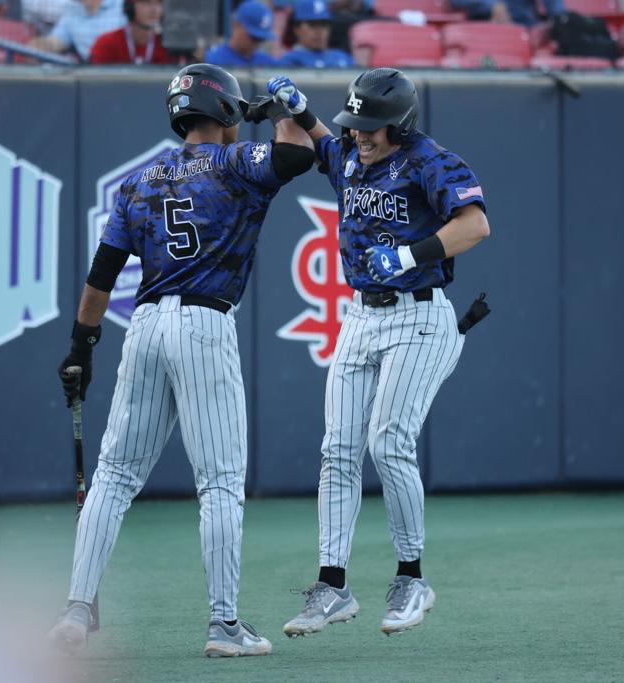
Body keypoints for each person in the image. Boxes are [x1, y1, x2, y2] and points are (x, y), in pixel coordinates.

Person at [46, 63, 316, 658]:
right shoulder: (234, 161)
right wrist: (274, 111)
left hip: (142, 324)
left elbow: (101, 277)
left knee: (113, 477)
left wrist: (80, 346)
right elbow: (297, 155)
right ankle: (224, 626)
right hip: (202, 320)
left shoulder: (141, 181)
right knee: (220, 481)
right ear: (223, 111)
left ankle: (73, 610)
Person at [263, 69, 490, 637]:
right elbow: (324, 145)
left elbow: (476, 224)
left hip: (419, 312)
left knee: (389, 442)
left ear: (401, 124)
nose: (360, 135)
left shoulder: (429, 159)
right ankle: (333, 587)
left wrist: (414, 254)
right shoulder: (350, 150)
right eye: (355, 123)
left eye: (372, 127)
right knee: (337, 450)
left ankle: (413, 578)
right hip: (361, 316)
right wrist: (301, 108)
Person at [29, 0, 124, 62]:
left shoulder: (123, 6)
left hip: (123, 72)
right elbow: (56, 41)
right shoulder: (73, 12)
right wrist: (40, 45)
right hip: (90, 77)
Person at [89, 0, 178, 64]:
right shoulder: (106, 43)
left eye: (159, 3)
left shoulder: (170, 46)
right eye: (146, 2)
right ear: (129, 8)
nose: (154, 10)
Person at [280, 0, 355, 68]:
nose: (319, 31)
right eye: (312, 24)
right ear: (296, 29)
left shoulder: (342, 56)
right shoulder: (290, 60)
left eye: (324, 24)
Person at [205, 0, 280, 66]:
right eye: (254, 37)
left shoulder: (268, 62)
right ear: (236, 24)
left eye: (261, 39)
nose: (257, 43)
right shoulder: (212, 60)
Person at [452, 0, 563, 26]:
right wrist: (492, 5)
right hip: (485, 25)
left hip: (526, 26)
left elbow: (556, 9)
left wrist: (561, 20)